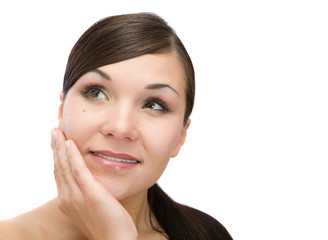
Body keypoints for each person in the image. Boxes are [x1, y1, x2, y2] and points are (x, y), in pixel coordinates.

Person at [0, 12, 232, 240]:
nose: (121, 128)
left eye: (154, 105)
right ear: (61, 110)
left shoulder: (206, 233)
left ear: (181, 136)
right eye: (97, 93)